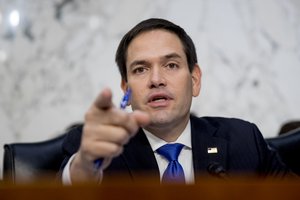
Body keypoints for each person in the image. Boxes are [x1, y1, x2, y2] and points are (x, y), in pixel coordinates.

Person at [60, 18, 294, 184]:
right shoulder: (95, 147)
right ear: (126, 89)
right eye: (141, 69)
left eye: (171, 65)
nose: (156, 79)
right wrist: (86, 166)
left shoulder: (244, 141)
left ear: (194, 80)